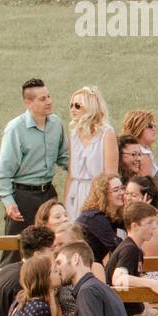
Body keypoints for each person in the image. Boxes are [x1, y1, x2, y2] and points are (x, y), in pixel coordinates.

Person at [0, 78, 69, 251]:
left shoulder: (56, 123)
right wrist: (9, 203)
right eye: (42, 99)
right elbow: (3, 172)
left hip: (48, 195)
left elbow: (63, 156)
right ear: (28, 102)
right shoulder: (15, 129)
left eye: (49, 96)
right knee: (18, 249)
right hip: (23, 197)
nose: (49, 101)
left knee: (53, 245)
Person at [105, 203, 158, 316]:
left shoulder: (136, 250)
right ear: (134, 226)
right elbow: (119, 279)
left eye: (154, 222)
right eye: (149, 223)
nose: (154, 227)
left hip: (131, 314)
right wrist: (153, 283)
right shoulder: (129, 249)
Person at [63, 86, 118, 220]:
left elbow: (111, 175)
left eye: (77, 106)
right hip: (75, 194)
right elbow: (70, 174)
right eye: (71, 105)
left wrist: (104, 202)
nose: (72, 109)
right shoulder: (74, 135)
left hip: (98, 194)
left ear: (90, 108)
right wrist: (65, 204)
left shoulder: (107, 133)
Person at [75, 173, 126, 264]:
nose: (122, 193)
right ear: (104, 195)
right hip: (82, 267)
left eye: (122, 188)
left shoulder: (110, 214)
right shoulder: (95, 218)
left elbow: (132, 225)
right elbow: (119, 247)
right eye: (116, 190)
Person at [120, 109, 158, 176]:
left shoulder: (144, 151)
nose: (154, 129)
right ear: (137, 127)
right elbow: (146, 185)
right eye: (149, 126)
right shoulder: (143, 157)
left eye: (154, 126)